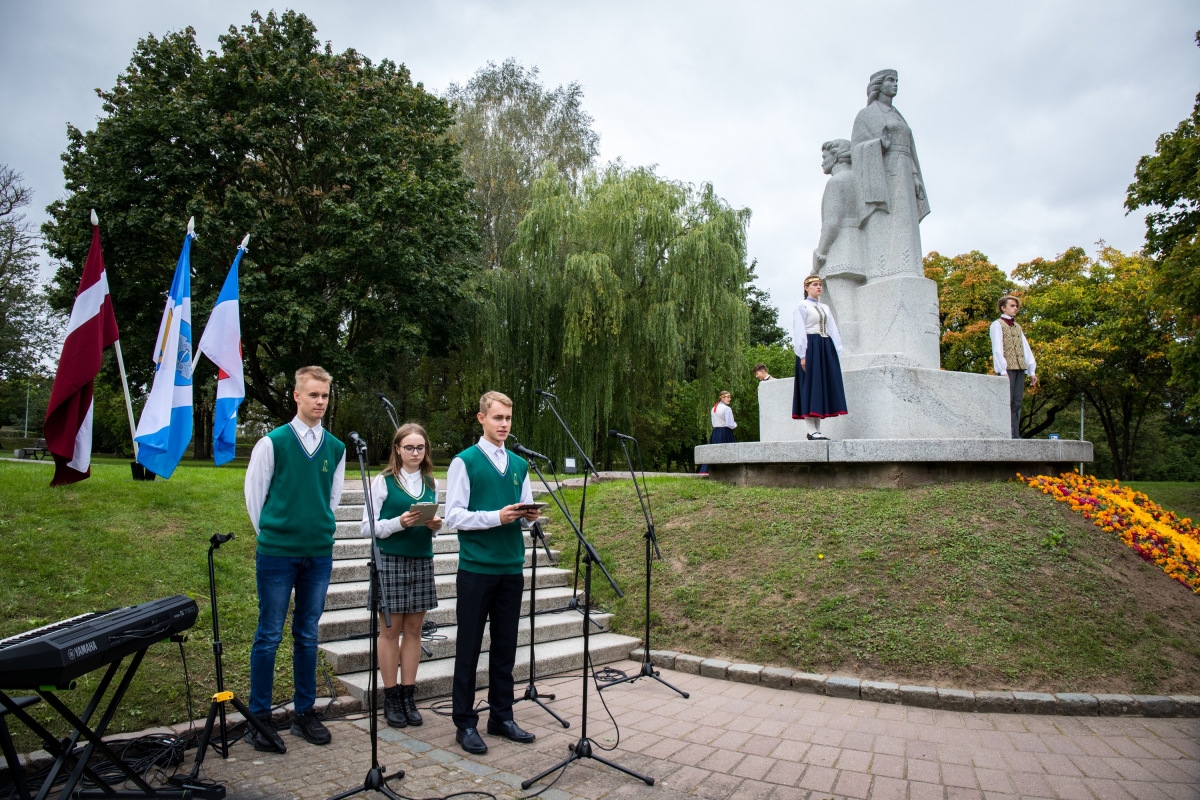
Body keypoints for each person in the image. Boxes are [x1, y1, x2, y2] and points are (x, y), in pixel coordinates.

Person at [244, 366, 346, 752]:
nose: (320, 402)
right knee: (268, 634)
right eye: (313, 395)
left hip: (317, 553)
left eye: (325, 396)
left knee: (307, 633)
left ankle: (305, 713)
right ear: (297, 396)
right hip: (277, 554)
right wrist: (276, 534)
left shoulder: (335, 448)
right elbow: (256, 498)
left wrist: (315, 531)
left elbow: (331, 500)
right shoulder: (273, 443)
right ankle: (260, 718)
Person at [444, 391, 542, 755]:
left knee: (505, 647)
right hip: (476, 569)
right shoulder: (464, 462)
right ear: (481, 418)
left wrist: (530, 516)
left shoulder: (518, 464)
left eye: (508, 419)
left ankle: (501, 716)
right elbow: (453, 516)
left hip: (510, 567)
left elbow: (523, 508)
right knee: (469, 647)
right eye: (497, 418)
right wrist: (495, 517)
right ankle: (464, 722)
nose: (504, 425)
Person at [362, 422, 443, 728]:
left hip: (421, 559)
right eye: (408, 447)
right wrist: (399, 522)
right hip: (390, 560)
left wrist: (435, 525)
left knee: (414, 630)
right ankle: (391, 695)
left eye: (420, 448)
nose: (415, 453)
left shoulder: (431, 482)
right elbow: (366, 527)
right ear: (397, 449)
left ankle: (409, 694)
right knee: (390, 631)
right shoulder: (383, 481)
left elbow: (431, 520)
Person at [850, 69, 930, 279]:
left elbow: (910, 149)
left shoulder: (898, 115)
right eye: (890, 80)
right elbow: (856, 148)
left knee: (906, 220)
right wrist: (878, 144)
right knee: (886, 220)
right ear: (879, 84)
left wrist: (914, 175)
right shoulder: (866, 114)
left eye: (897, 81)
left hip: (904, 169)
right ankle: (886, 267)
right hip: (883, 171)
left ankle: (908, 265)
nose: (895, 84)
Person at [792, 276, 847, 440]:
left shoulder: (825, 307)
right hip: (811, 348)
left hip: (824, 346)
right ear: (806, 288)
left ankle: (817, 430)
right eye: (815, 285)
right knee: (810, 386)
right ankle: (811, 429)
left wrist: (836, 350)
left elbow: (832, 329)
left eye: (820, 285)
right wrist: (803, 354)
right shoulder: (802, 306)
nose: (819, 287)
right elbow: (800, 330)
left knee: (821, 387)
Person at [989, 295, 1038, 439]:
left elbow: (1025, 348)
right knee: (1007, 402)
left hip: (1020, 368)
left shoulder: (1017, 327)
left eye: (1016, 306)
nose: (1015, 308)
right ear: (1003, 308)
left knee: (1017, 402)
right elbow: (997, 348)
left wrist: (1031, 370)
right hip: (1007, 369)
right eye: (1012, 305)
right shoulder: (997, 325)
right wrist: (1002, 370)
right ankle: (1005, 435)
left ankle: (1015, 435)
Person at [698, 390, 737, 476]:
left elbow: (713, 423)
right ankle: (728, 472)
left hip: (715, 432)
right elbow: (730, 423)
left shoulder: (714, 408)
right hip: (725, 432)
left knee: (714, 452)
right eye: (728, 397)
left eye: (729, 397)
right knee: (728, 452)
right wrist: (735, 425)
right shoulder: (727, 409)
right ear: (722, 398)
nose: (729, 399)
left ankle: (709, 470)